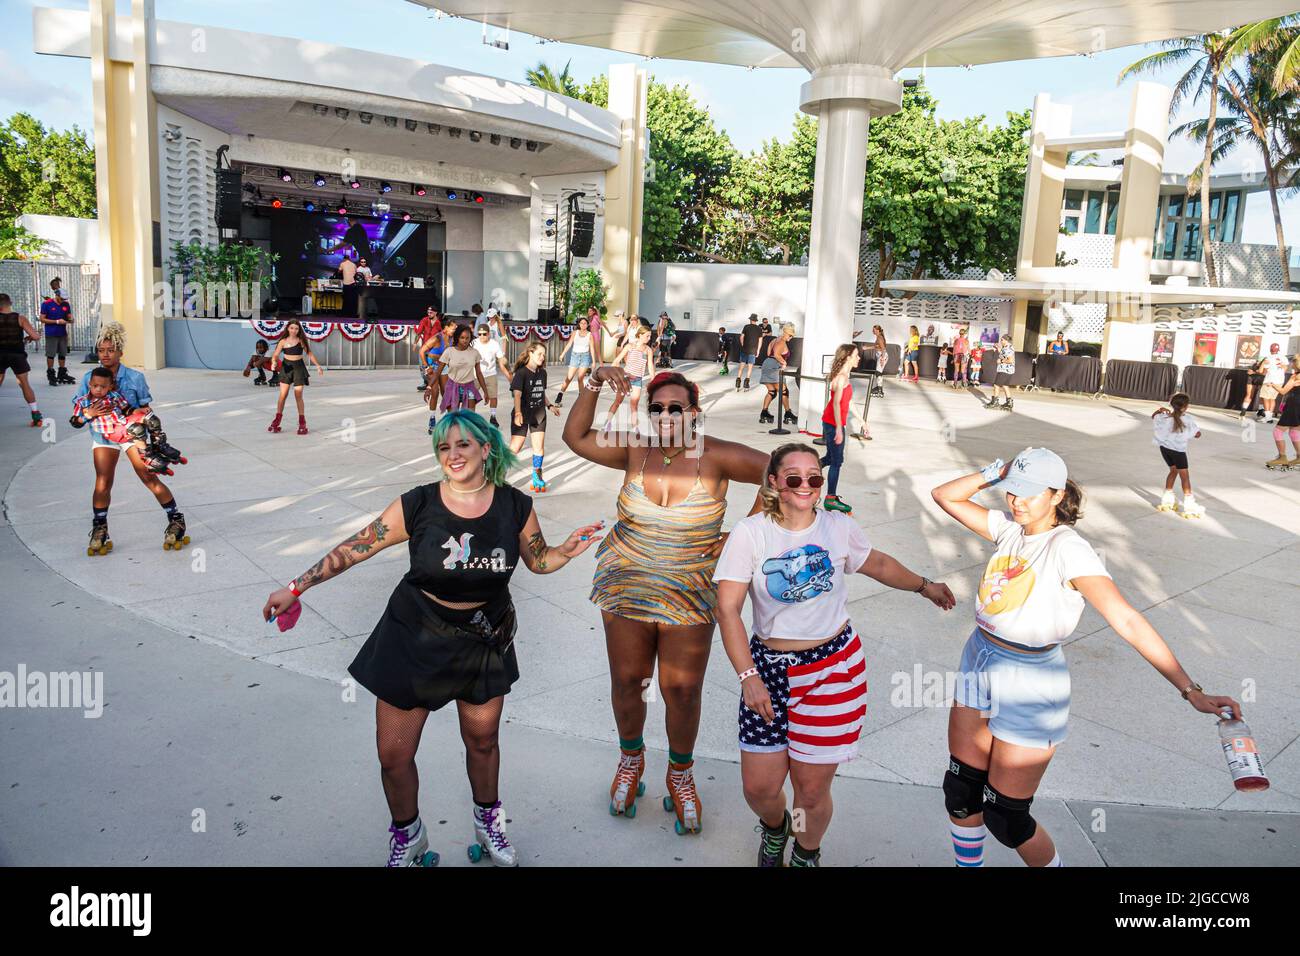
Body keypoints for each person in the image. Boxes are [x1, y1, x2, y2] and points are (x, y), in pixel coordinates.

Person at [261, 410, 603, 867]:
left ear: (486, 449)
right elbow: (356, 547)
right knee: (393, 756)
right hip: (414, 634)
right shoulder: (418, 504)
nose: (453, 455)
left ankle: (489, 825)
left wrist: (564, 550)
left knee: (482, 743)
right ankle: (409, 835)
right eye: (444, 447)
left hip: (483, 639)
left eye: (463, 445)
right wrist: (296, 586)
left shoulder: (515, 506)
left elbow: (538, 561)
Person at [930, 447, 1242, 868]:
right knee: (962, 794)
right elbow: (944, 496)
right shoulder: (1009, 530)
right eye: (1011, 492)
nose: (1016, 501)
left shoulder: (1067, 549)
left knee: (1007, 817)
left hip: (1031, 681)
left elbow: (1126, 619)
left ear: (1057, 495)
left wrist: (1190, 690)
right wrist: (998, 473)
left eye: (1028, 492)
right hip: (979, 660)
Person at [715, 443, 955, 866]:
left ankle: (807, 851)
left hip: (832, 670)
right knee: (760, 788)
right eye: (793, 478)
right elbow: (728, 608)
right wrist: (748, 676)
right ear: (774, 483)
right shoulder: (750, 533)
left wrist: (923, 585)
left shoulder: (837, 527)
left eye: (814, 478)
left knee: (810, 790)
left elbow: (876, 563)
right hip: (767, 671)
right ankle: (775, 830)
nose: (805, 486)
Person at [563, 367, 769, 834]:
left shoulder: (716, 455)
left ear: (694, 411)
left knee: (682, 690)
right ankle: (630, 762)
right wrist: (593, 382)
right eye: (656, 408)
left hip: (691, 591)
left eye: (676, 407)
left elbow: (781, 472)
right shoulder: (636, 448)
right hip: (625, 585)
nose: (666, 415)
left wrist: (741, 536)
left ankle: (680, 773)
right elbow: (576, 437)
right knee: (628, 681)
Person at [72, 321, 187, 554]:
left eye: (110, 350)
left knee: (147, 476)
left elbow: (145, 409)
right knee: (103, 481)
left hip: (132, 435)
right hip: (104, 435)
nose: (105, 355)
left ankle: (176, 519)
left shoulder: (134, 378)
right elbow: (78, 410)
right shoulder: (89, 377)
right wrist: (87, 414)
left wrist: (153, 440)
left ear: (120, 352)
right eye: (101, 350)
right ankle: (100, 528)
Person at [70, 367, 187, 477]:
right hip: (111, 430)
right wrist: (88, 415)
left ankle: (159, 445)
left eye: (103, 386)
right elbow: (75, 422)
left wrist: (139, 410)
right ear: (89, 384)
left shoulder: (114, 396)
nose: (99, 389)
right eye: (95, 386)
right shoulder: (83, 402)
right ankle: (146, 457)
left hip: (122, 421)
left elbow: (127, 409)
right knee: (137, 429)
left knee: (152, 419)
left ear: (110, 386)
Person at [509, 342, 561, 491]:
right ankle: (497, 473)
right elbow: (517, 395)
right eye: (539, 354)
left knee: (539, 448)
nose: (542, 357)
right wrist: (518, 413)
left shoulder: (542, 373)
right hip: (522, 413)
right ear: (530, 353)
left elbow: (540, 392)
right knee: (515, 448)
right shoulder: (521, 373)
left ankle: (537, 476)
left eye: (544, 355)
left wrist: (550, 406)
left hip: (538, 414)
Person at [820, 344, 862, 514]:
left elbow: (848, 401)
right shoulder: (842, 378)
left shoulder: (845, 376)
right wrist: (839, 429)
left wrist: (862, 421)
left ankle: (808, 470)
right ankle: (830, 498)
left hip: (833, 423)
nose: (859, 358)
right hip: (832, 424)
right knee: (836, 461)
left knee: (830, 458)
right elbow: (836, 404)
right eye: (856, 355)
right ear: (848, 357)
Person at [267, 319, 325, 435]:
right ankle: (277, 420)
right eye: (292, 328)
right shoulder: (283, 341)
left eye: (296, 328)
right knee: (283, 395)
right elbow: (276, 355)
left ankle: (302, 423)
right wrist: (274, 362)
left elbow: (309, 353)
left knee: (298, 395)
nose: (294, 330)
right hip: (286, 368)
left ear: (299, 330)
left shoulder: (301, 340)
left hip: (299, 368)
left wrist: (318, 366)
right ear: (288, 328)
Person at [1152, 393, 1204, 517]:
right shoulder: (1188, 419)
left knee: (1173, 471)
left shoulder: (1164, 418)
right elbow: (1197, 434)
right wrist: (1194, 433)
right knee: (1185, 477)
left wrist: (1160, 411)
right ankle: (1189, 505)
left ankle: (1167, 499)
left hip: (1165, 449)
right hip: (1178, 452)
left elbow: (1154, 417)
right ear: (1185, 407)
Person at [0, 293, 44, 427]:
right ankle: (36, 414)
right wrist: (29, 337)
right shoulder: (20, 318)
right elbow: (36, 336)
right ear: (11, 302)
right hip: (17, 355)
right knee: (24, 383)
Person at [605, 325, 654, 429]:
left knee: (634, 405)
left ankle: (635, 430)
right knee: (617, 402)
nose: (649, 338)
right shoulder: (630, 346)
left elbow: (650, 366)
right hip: (625, 379)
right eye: (647, 336)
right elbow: (616, 361)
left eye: (650, 336)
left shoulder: (648, 350)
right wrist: (617, 376)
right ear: (640, 335)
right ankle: (607, 424)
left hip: (637, 380)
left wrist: (654, 381)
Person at [437, 324, 487, 416]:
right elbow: (438, 373)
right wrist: (429, 388)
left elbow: (479, 373)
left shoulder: (474, 353)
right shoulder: (449, 351)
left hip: (469, 387)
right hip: (452, 387)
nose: (465, 340)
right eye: (462, 338)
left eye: (467, 338)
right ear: (457, 338)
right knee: (453, 419)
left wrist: (485, 391)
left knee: (469, 419)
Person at [472, 323, 511, 428]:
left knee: (493, 396)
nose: (481, 336)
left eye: (484, 334)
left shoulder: (494, 344)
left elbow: (500, 358)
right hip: (475, 374)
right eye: (479, 334)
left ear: (489, 334)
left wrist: (505, 363)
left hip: (491, 374)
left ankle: (493, 417)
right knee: (472, 397)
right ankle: (470, 417)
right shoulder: (474, 343)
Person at [759, 322, 797, 426]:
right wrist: (784, 362)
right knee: (784, 391)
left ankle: (764, 413)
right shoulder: (782, 342)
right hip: (774, 367)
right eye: (790, 335)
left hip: (766, 364)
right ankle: (788, 413)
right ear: (785, 333)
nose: (791, 337)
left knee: (772, 392)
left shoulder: (774, 340)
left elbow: (768, 354)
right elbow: (776, 354)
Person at [1266, 355, 1300, 470]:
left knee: (1278, 431)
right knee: (1294, 432)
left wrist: (1273, 384)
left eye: (1292, 362)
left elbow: (1283, 391)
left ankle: (1282, 456)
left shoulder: (1295, 376)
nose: (1291, 364)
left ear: (1296, 363)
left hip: (1294, 406)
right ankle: (1299, 457)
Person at [40, 278, 75, 386]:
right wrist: (56, 321)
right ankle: (51, 373)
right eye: (62, 298)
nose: (63, 300)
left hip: (62, 333)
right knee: (51, 354)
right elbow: (42, 319)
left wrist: (71, 319)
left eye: (64, 299)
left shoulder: (65, 305)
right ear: (57, 295)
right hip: (51, 333)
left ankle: (62, 372)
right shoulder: (47, 304)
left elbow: (69, 316)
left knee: (62, 353)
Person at [554, 316, 595, 405]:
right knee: (569, 377)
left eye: (585, 323)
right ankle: (560, 395)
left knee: (580, 378)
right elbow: (569, 344)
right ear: (579, 324)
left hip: (585, 357)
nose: (583, 325)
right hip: (575, 356)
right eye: (581, 323)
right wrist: (562, 354)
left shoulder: (590, 335)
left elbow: (592, 348)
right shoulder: (575, 333)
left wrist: (594, 362)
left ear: (587, 325)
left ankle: (581, 399)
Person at [1258, 343, 1289, 424]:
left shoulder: (1268, 358)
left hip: (1269, 380)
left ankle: (1267, 418)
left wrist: (1263, 363)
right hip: (1279, 381)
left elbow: (1262, 372)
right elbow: (1285, 369)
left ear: (1270, 349)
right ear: (1278, 350)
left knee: (1265, 398)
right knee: (1272, 399)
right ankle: (1269, 417)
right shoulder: (1284, 358)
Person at [984, 334, 1016, 412]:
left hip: (1005, 370)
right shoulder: (1007, 347)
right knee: (1005, 385)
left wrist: (1001, 361)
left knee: (996, 385)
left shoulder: (1007, 348)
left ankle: (995, 402)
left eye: (1002, 340)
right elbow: (1003, 353)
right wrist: (998, 348)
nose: (1001, 341)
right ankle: (1009, 403)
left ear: (1006, 340)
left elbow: (1011, 360)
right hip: (1009, 370)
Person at [414, 307, 443, 392]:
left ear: (436, 313)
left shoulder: (439, 323)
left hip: (434, 349)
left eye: (431, 312)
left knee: (433, 366)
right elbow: (419, 332)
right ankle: (426, 381)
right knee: (422, 366)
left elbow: (442, 334)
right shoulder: (424, 320)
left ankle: (432, 382)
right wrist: (415, 343)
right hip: (425, 347)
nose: (429, 314)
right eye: (428, 312)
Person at [737, 314, 762, 392]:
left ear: (750, 320)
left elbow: (741, 337)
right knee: (750, 368)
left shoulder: (746, 326)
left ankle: (738, 384)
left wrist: (743, 345)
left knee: (741, 367)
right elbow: (760, 341)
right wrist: (758, 350)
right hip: (753, 350)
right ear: (756, 320)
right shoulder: (759, 329)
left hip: (745, 350)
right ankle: (746, 384)